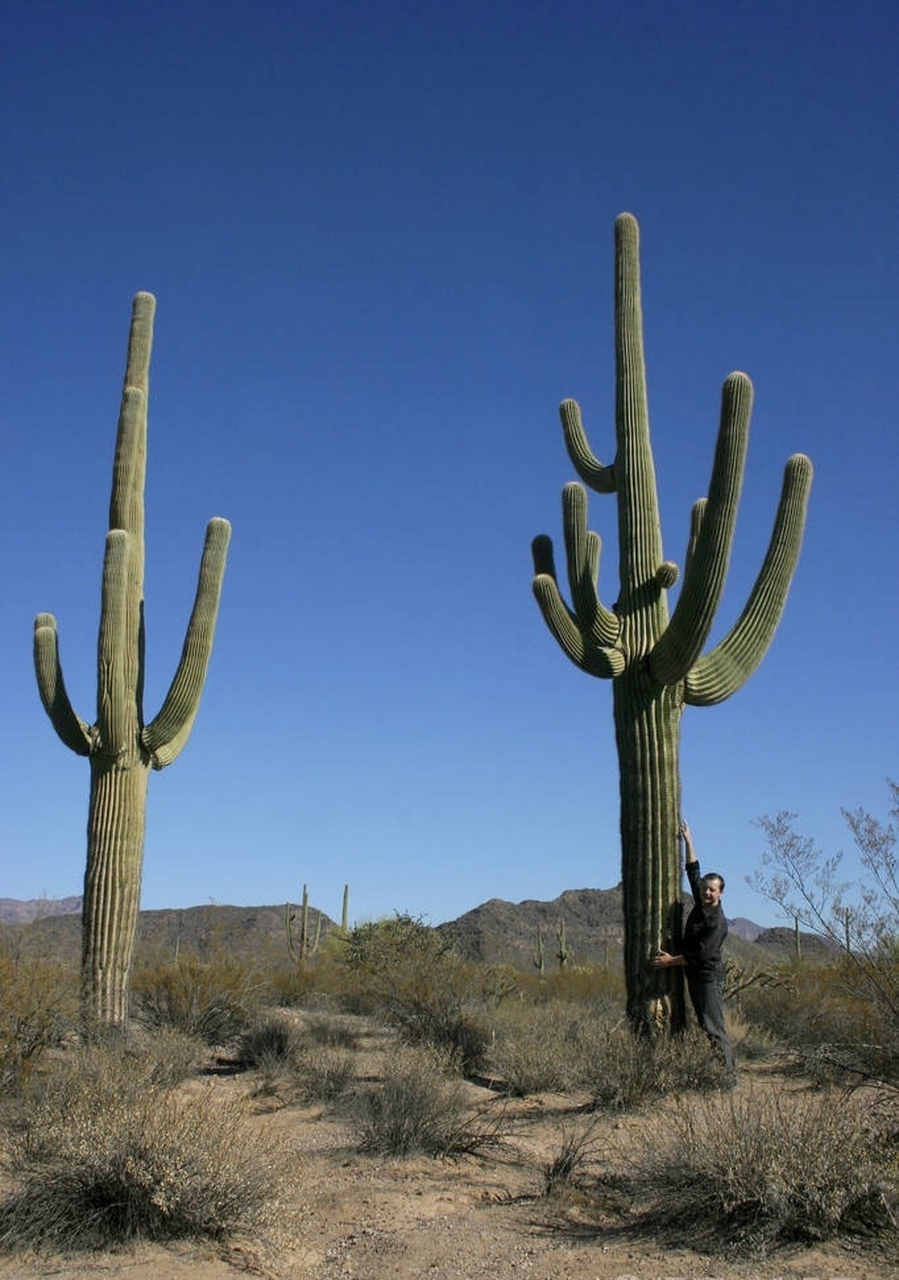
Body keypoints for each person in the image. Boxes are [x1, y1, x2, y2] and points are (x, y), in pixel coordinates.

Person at [651, 818, 735, 1077]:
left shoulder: (718, 922)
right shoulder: (701, 904)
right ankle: (721, 1071)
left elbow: (700, 955)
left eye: (712, 890)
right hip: (695, 977)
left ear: (720, 893)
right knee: (704, 1023)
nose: (707, 893)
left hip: (707, 978)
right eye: (705, 889)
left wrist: (669, 961)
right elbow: (693, 871)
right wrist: (689, 840)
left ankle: (728, 1077)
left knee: (713, 1026)